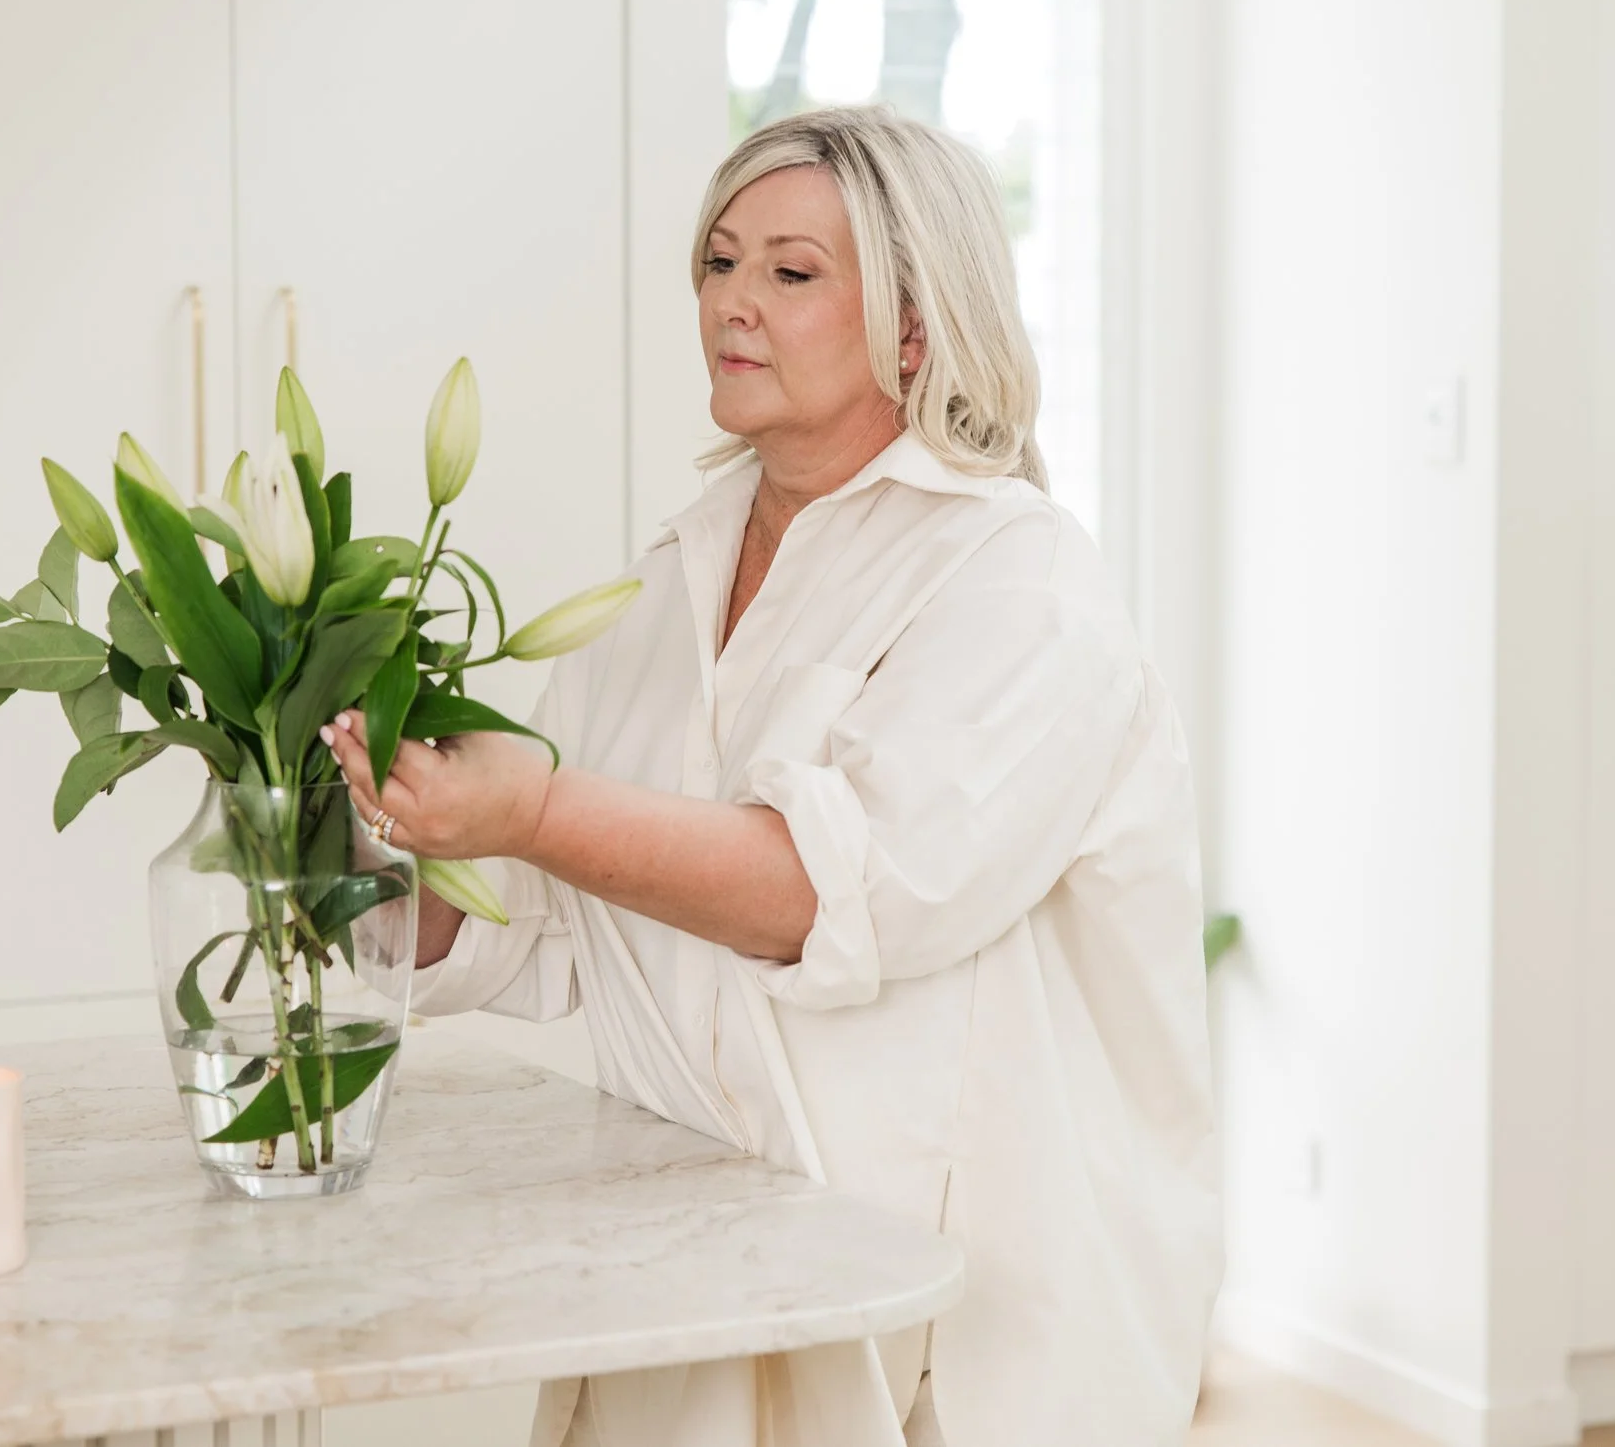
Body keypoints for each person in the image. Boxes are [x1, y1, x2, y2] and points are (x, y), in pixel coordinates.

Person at [323, 105, 1219, 1447]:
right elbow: (517, 920)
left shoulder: (1022, 583)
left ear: (912, 330)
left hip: (956, 1349)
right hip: (688, 1302)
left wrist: (535, 806)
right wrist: (360, 805)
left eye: (791, 273)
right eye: (718, 262)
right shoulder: (651, 595)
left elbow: (833, 890)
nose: (733, 302)